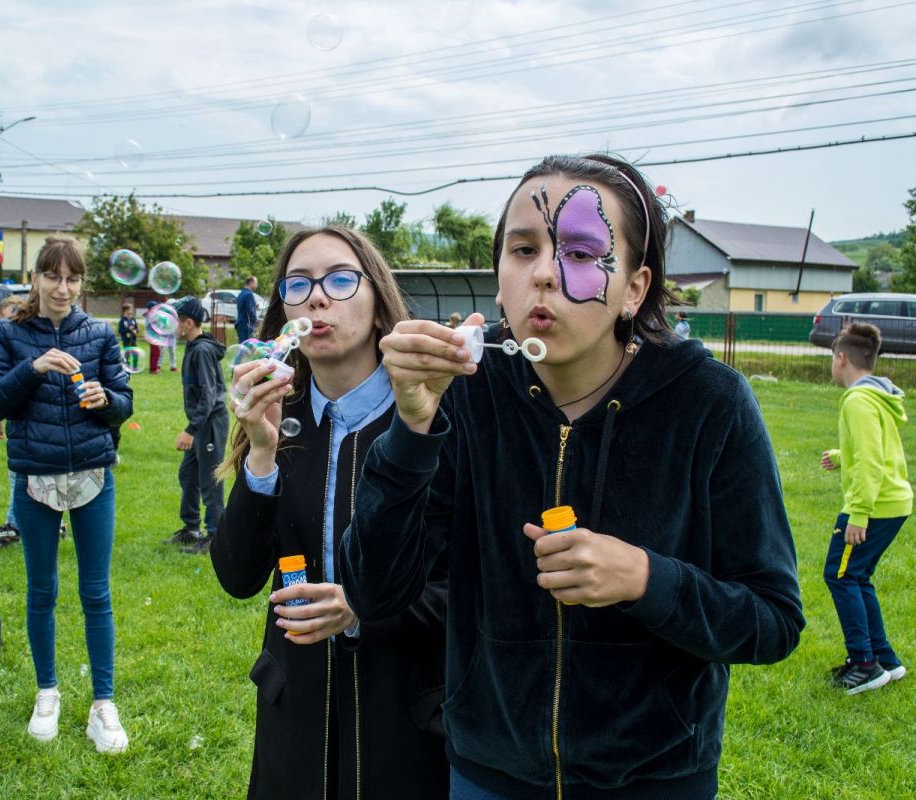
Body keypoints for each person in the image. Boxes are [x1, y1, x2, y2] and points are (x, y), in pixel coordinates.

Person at [339, 154, 804, 799]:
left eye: (581, 253)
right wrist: (413, 429)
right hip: (489, 775)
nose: (544, 274)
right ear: (498, 275)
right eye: (523, 249)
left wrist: (644, 577)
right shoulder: (468, 391)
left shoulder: (709, 403)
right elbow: (374, 591)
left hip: (654, 779)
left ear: (634, 289)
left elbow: (773, 620)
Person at [211, 226, 448, 800]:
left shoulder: (431, 419)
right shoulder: (277, 416)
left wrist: (364, 607)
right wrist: (261, 455)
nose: (316, 298)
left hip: (404, 719)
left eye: (340, 280)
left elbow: (472, 580)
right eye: (298, 284)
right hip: (297, 721)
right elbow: (238, 577)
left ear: (378, 301)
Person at [0, 235, 134, 754]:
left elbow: (125, 403)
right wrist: (33, 368)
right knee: (41, 591)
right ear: (36, 278)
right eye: (53, 277)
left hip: (93, 476)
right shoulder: (7, 334)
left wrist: (106, 400)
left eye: (73, 279)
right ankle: (48, 693)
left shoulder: (100, 334)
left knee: (96, 594)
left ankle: (103, 704)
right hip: (34, 480)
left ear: (82, 283)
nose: (63, 288)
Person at [820, 322, 911, 694]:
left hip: (874, 506)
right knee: (857, 576)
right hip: (894, 502)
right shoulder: (876, 394)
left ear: (841, 358)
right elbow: (878, 448)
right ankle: (885, 659)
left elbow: (872, 461)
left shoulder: (858, 400)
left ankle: (864, 664)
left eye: (832, 358)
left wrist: (858, 514)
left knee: (840, 575)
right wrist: (842, 456)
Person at [163, 296, 228, 554]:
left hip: (210, 423)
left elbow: (209, 396)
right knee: (188, 474)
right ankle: (191, 529)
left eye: (175, 321)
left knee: (210, 479)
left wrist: (191, 430)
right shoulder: (194, 347)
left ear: (188, 323)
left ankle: (215, 536)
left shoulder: (201, 351)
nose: (172, 327)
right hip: (202, 422)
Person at [0, 295, 35, 547]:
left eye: (10, 320)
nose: (5, 327)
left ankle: (14, 526)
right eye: (1, 321)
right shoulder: (5, 348)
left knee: (21, 477)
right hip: (19, 423)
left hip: (33, 429)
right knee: (25, 477)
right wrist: (0, 416)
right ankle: (52, 524)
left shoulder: (28, 347)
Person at [235, 275, 259, 343]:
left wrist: (254, 306)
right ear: (251, 282)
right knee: (247, 347)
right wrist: (256, 323)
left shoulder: (241, 294)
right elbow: (251, 312)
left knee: (242, 345)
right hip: (247, 325)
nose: (256, 286)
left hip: (240, 324)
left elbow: (243, 307)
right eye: (256, 283)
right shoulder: (249, 295)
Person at [145, 300, 163, 374]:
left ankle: (152, 368)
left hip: (152, 336)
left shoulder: (150, 315)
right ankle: (154, 369)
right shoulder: (151, 315)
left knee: (153, 352)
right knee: (156, 352)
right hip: (153, 336)